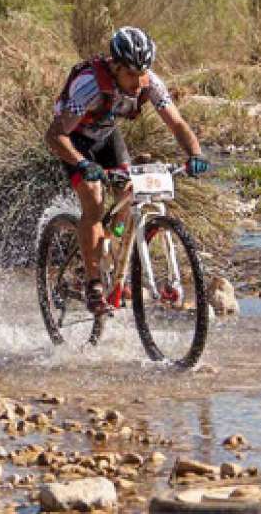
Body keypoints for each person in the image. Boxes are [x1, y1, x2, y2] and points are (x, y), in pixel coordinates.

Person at [44, 26, 209, 314]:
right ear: (116, 67)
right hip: (75, 141)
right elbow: (55, 135)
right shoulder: (90, 85)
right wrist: (82, 164)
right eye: (131, 74)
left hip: (107, 137)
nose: (138, 81)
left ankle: (115, 243)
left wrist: (195, 153)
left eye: (142, 72)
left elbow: (178, 124)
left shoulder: (150, 82)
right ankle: (94, 283)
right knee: (93, 200)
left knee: (131, 190)